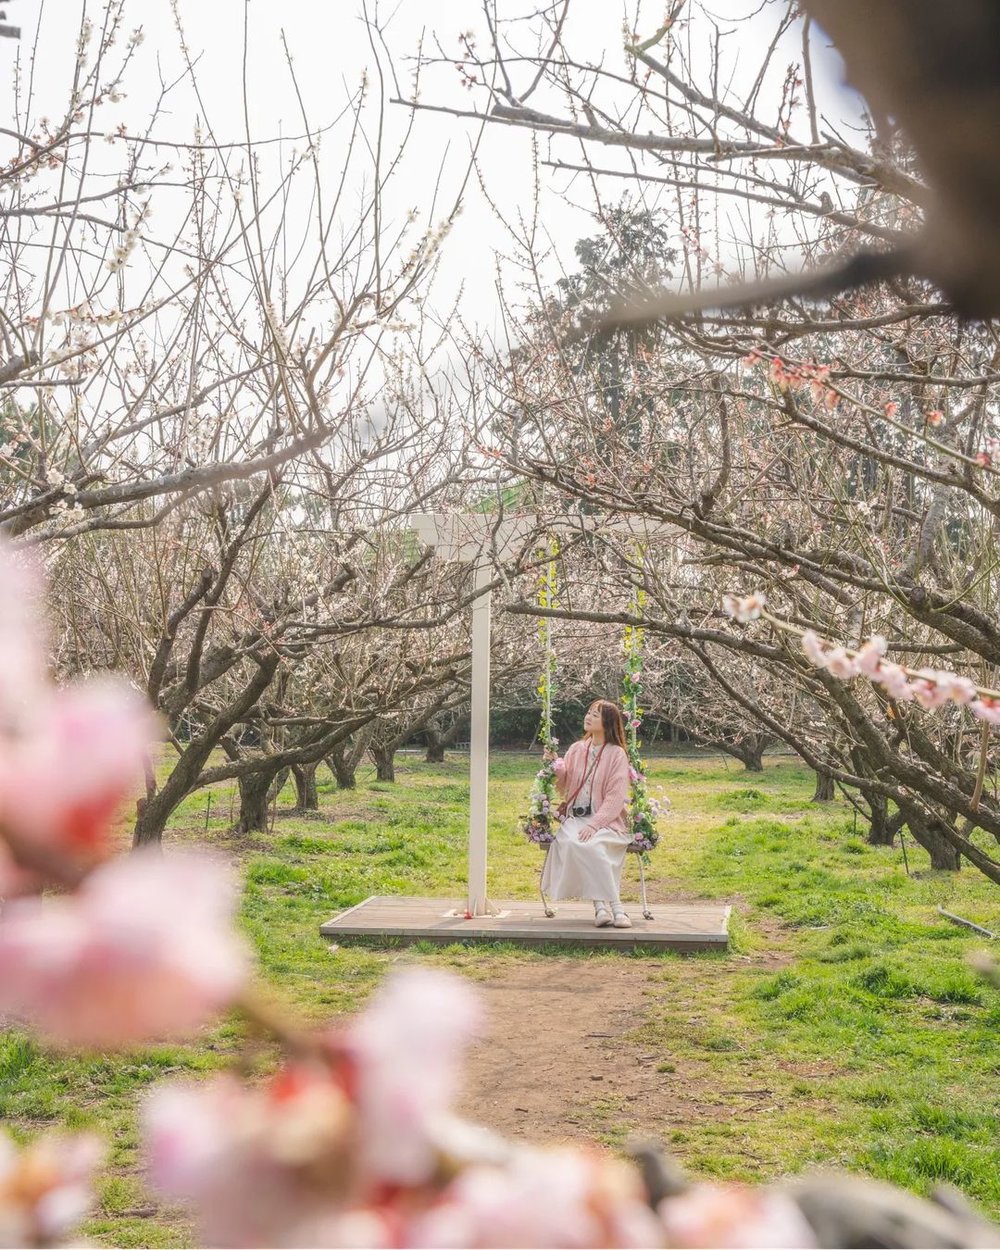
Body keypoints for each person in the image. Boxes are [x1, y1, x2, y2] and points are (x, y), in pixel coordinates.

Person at [541, 700, 634, 928]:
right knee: (576, 844)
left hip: (607, 822)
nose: (589, 717)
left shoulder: (617, 754)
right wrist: (556, 766)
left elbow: (615, 796)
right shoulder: (576, 749)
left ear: (608, 723)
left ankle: (614, 907)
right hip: (576, 819)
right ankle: (601, 907)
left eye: (595, 714)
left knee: (593, 846)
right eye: (589, 712)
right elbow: (565, 786)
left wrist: (595, 824)